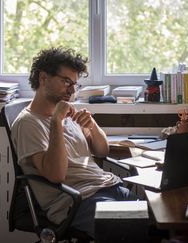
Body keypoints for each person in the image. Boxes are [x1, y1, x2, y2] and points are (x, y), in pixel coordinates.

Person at [11, 47, 136, 238]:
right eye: (66, 81)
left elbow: (102, 151)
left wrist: (92, 126)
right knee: (132, 232)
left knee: (158, 223)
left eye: (74, 84)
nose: (71, 90)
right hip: (77, 201)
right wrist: (56, 123)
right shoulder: (28, 123)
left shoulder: (66, 113)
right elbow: (56, 175)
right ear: (43, 78)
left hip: (108, 187)